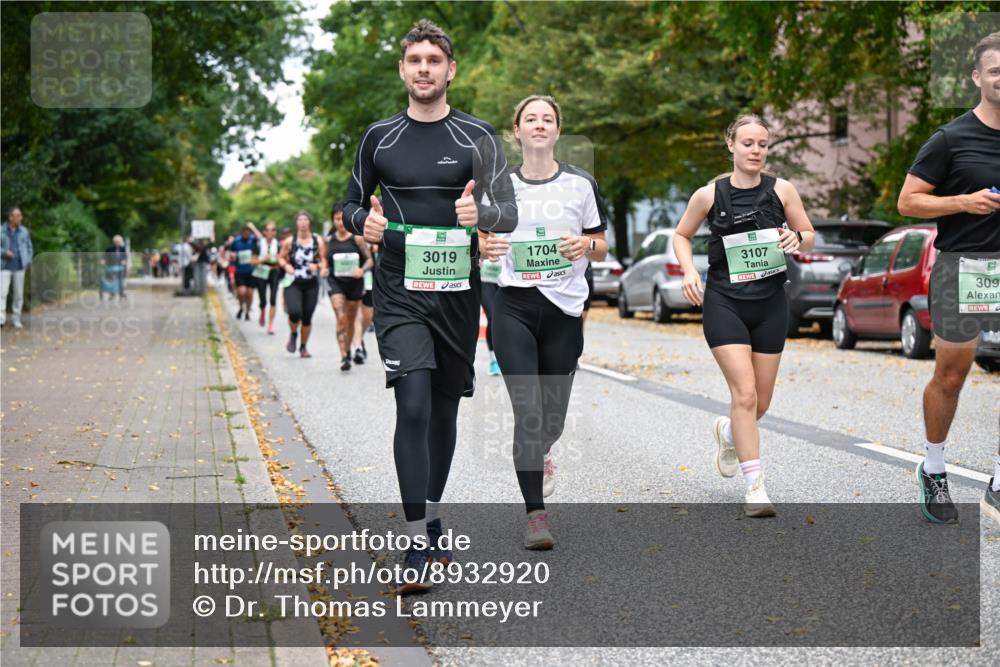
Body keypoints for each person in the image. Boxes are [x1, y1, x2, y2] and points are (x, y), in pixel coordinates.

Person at [342, 19, 517, 593]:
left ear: (450, 70)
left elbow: (506, 214)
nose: (423, 68)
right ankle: (416, 541)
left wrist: (480, 217)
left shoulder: (478, 138)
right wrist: (360, 221)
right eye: (414, 59)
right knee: (412, 403)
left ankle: (433, 516)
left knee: (444, 410)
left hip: (459, 293)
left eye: (433, 60)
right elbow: (348, 206)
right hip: (397, 289)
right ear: (402, 69)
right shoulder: (379, 138)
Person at [480, 95, 609, 549]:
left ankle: (545, 450)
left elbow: (601, 245)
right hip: (513, 307)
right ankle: (536, 515)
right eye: (530, 118)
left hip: (565, 312)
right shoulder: (498, 185)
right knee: (529, 414)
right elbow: (482, 236)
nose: (539, 125)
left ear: (557, 131)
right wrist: (485, 248)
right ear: (516, 131)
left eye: (547, 119)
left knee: (550, 419)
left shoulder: (580, 184)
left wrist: (584, 247)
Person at [673, 113, 815, 517]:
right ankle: (755, 486)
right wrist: (688, 270)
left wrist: (795, 237)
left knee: (761, 401)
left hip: (770, 303)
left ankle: (730, 432)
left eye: (762, 144)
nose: (756, 151)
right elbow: (681, 234)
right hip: (725, 302)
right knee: (745, 394)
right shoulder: (709, 195)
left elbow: (808, 233)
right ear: (731, 145)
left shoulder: (782, 190)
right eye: (748, 143)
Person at [897, 31, 1000, 525]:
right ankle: (933, 468)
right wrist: (963, 201)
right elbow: (908, 201)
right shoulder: (950, 138)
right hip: (964, 268)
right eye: (996, 70)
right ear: (978, 78)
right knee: (952, 375)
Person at [326, 202, 373, 371]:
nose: (340, 222)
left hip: (354, 282)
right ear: (333, 220)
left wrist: (362, 269)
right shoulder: (329, 241)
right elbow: (323, 260)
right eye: (337, 219)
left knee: (352, 318)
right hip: (336, 282)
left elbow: (369, 260)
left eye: (342, 219)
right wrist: (323, 268)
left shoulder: (357, 238)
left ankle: (348, 349)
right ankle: (344, 356)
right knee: (340, 314)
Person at [278, 212, 327, 358]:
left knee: (307, 317)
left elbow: (323, 260)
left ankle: (303, 347)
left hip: (311, 283)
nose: (303, 222)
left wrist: (319, 267)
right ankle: (293, 334)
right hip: (293, 282)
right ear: (296, 223)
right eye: (300, 220)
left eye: (306, 219)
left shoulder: (317, 240)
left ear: (309, 222)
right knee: (294, 312)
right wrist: (286, 266)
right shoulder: (290, 241)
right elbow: (280, 258)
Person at [1, 207, 32, 329]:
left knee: (19, 295)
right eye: (18, 215)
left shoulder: (24, 231)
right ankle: (1, 319)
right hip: (4, 266)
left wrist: (27, 260)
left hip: (19, 267)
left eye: (20, 215)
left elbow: (29, 247)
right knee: (2, 293)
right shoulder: (1, 230)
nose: (20, 218)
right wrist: (4, 252)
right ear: (10, 217)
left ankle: (16, 319)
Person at [249, 221, 281, 334]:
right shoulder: (258, 244)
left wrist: (277, 261)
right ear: (264, 232)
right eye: (268, 230)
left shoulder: (278, 245)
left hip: (274, 272)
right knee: (263, 298)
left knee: (273, 299)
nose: (270, 232)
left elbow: (283, 260)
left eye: (273, 230)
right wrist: (263, 259)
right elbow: (252, 261)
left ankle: (270, 325)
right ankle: (262, 312)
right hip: (261, 271)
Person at [352, 239, 379, 364]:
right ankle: (358, 347)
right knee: (357, 315)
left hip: (371, 280)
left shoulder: (377, 233)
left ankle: (359, 338)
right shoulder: (353, 236)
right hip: (354, 280)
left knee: (368, 316)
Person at [229, 224, 259, 320]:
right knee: (242, 292)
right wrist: (233, 256)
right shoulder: (236, 241)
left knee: (249, 293)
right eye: (245, 231)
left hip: (251, 271)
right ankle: (241, 307)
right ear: (242, 232)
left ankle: (247, 310)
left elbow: (261, 238)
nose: (247, 233)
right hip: (240, 270)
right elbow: (231, 254)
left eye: (249, 231)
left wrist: (253, 227)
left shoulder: (253, 239)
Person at [480, 253, 501, 376]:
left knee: (504, 319)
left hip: (506, 278)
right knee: (493, 316)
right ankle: (494, 359)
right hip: (485, 278)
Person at [103, 234, 129, 300]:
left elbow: (125, 256)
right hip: (111, 267)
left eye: (119, 242)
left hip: (121, 267)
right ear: (114, 242)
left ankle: (121, 294)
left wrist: (124, 261)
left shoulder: (123, 248)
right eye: (116, 242)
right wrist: (103, 260)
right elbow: (105, 256)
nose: (118, 243)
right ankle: (112, 294)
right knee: (112, 281)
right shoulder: (109, 249)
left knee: (121, 281)